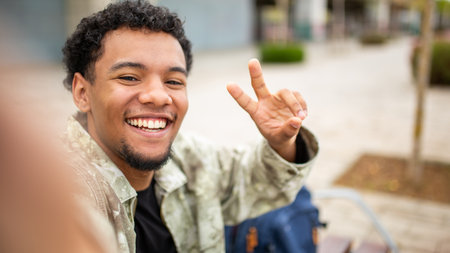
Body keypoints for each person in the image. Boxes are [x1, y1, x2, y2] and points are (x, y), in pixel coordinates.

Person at [62, 1, 318, 253]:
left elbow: (254, 179)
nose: (159, 96)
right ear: (83, 93)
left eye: (173, 81)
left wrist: (281, 142)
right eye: (129, 77)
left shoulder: (189, 157)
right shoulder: (55, 194)